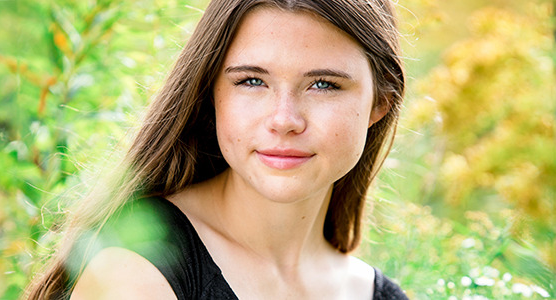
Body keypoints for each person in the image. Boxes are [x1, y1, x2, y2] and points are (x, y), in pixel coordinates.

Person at [26, 0, 407, 299]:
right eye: (252, 81)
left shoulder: (380, 294)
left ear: (381, 102)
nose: (284, 120)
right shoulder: (136, 267)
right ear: (211, 92)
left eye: (323, 84)